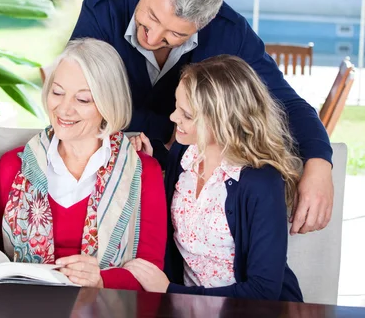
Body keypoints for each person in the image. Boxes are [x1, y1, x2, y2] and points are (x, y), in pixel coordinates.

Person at [69, 0, 333, 235]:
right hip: (106, 161)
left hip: (186, 186)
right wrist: (167, 130)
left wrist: (319, 164)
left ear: (206, 23)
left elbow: (287, 104)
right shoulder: (105, 6)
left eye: (175, 34)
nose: (154, 38)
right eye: (151, 17)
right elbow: (76, 94)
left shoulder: (231, 33)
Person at [0, 38, 166, 290]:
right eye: (57, 92)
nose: (63, 109)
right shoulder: (12, 167)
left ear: (109, 104)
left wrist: (101, 280)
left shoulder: (142, 172)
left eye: (82, 100)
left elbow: (150, 273)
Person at [126, 55, 303, 301]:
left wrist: (170, 291)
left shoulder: (261, 183)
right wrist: (149, 167)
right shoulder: (183, 153)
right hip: (187, 306)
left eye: (187, 115)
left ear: (222, 120)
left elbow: (264, 291)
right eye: (176, 107)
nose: (173, 118)